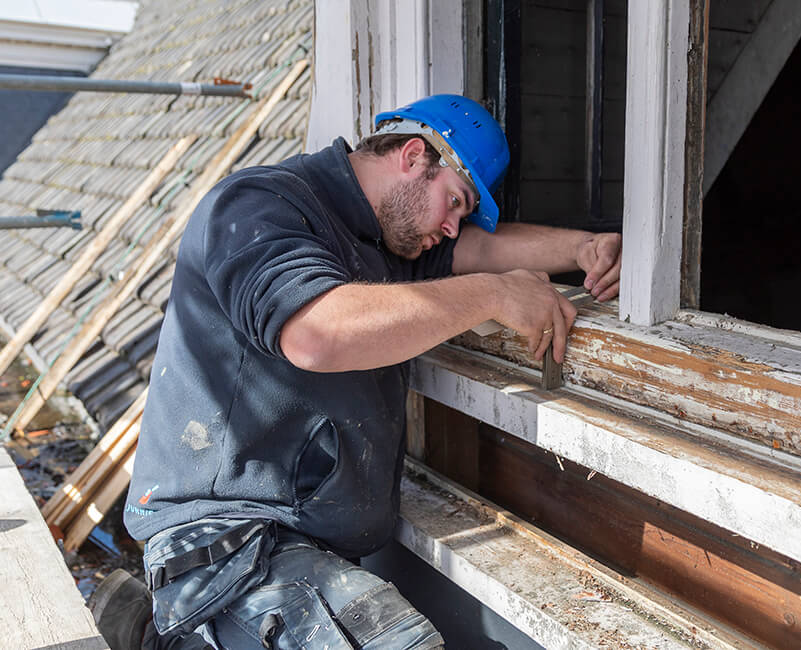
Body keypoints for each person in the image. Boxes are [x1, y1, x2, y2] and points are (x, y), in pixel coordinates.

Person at [88, 94, 622, 649]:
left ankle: (150, 634)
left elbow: (481, 248)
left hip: (310, 546)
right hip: (230, 539)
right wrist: (492, 294)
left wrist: (585, 248)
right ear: (414, 156)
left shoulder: (387, 242)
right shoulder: (259, 205)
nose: (452, 227)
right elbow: (317, 333)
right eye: (455, 202)